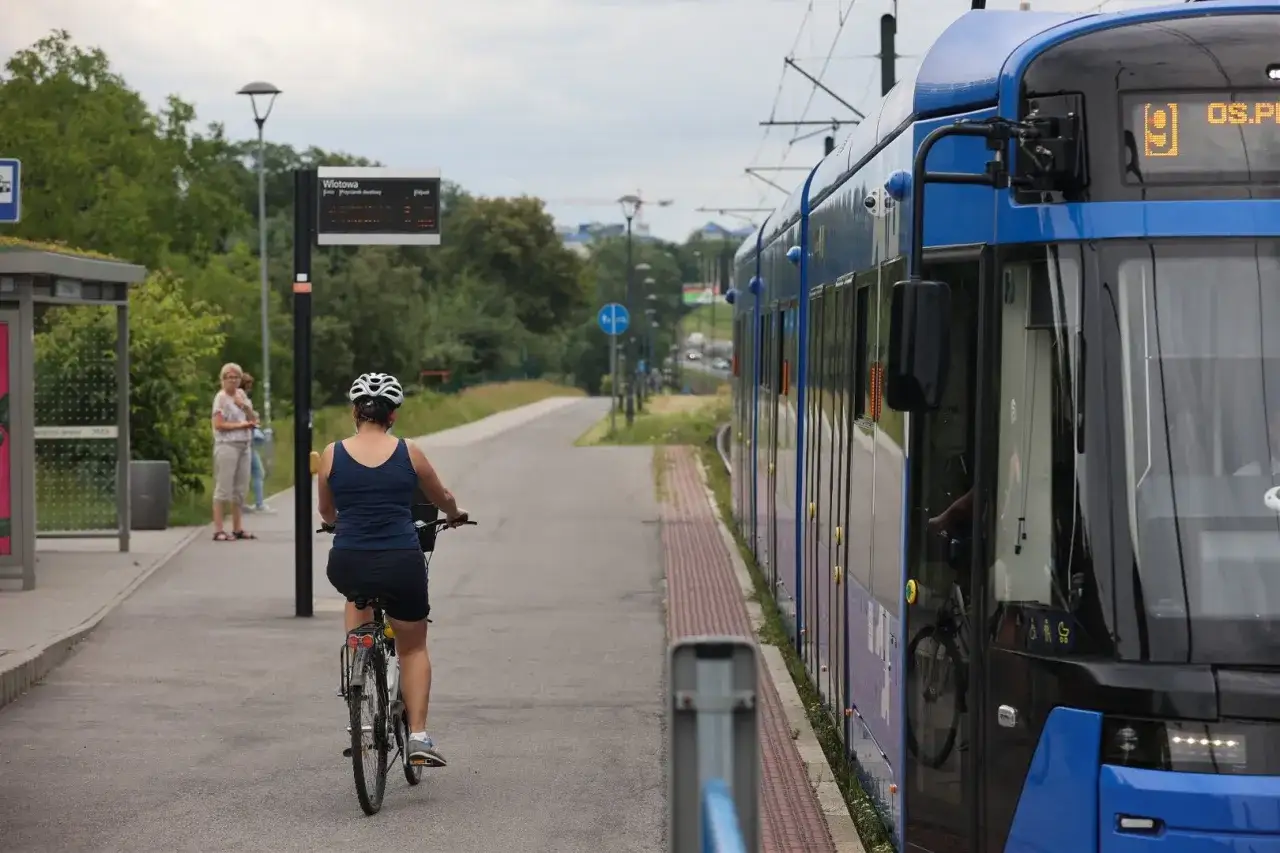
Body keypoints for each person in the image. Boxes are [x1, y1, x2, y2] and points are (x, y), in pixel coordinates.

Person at [317, 371, 468, 767]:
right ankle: (418, 736)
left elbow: (327, 511)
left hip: (348, 559)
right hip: (402, 559)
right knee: (413, 646)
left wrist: (337, 522)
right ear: (392, 416)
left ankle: (357, 662)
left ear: (355, 412)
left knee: (357, 595)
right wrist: (454, 514)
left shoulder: (332, 453)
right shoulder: (409, 452)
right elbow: (442, 497)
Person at [210, 362, 258, 541]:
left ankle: (238, 527)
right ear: (223, 380)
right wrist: (242, 425)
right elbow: (219, 424)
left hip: (244, 445)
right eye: (229, 378)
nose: (233, 381)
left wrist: (244, 406)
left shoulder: (241, 395)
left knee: (240, 488)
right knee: (224, 487)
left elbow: (253, 418)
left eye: (236, 377)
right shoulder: (221, 398)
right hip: (227, 445)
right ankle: (219, 528)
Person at [238, 372, 274, 514]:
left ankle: (245, 503)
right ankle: (257, 503)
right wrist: (254, 418)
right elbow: (247, 415)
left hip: (246, 440)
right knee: (257, 472)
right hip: (247, 440)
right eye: (249, 384)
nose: (250, 387)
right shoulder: (241, 396)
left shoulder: (238, 396)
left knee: (249, 473)